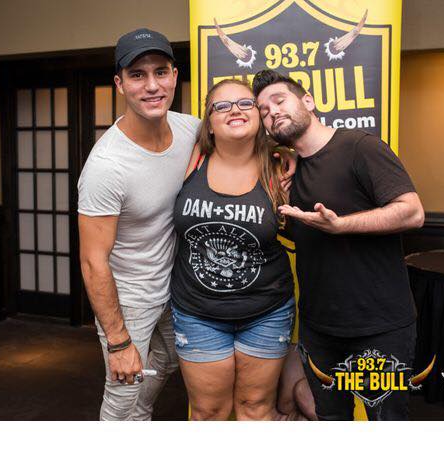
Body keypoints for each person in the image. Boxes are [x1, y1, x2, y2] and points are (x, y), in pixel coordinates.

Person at [252, 70, 425, 421]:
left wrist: (341, 225)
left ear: (308, 101)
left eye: (279, 101)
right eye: (264, 111)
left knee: (386, 421)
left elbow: (412, 212)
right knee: (331, 419)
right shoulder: (288, 169)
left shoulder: (361, 148)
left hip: (379, 327)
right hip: (320, 328)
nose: (272, 112)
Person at [78, 28, 200, 420]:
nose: (151, 86)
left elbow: (241, 143)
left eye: (160, 72)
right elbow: (93, 261)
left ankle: (140, 418)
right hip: (128, 298)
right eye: (137, 75)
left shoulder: (190, 129)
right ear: (120, 84)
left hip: (172, 285)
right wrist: (118, 342)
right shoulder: (106, 166)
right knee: (122, 394)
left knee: (168, 361)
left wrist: (284, 156)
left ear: (175, 76)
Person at [169, 78, 296, 420]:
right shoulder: (190, 159)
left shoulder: (280, 167)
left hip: (267, 311)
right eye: (221, 106)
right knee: (208, 413)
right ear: (209, 123)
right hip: (197, 313)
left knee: (255, 410)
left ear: (258, 115)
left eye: (244, 103)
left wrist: (290, 153)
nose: (234, 111)